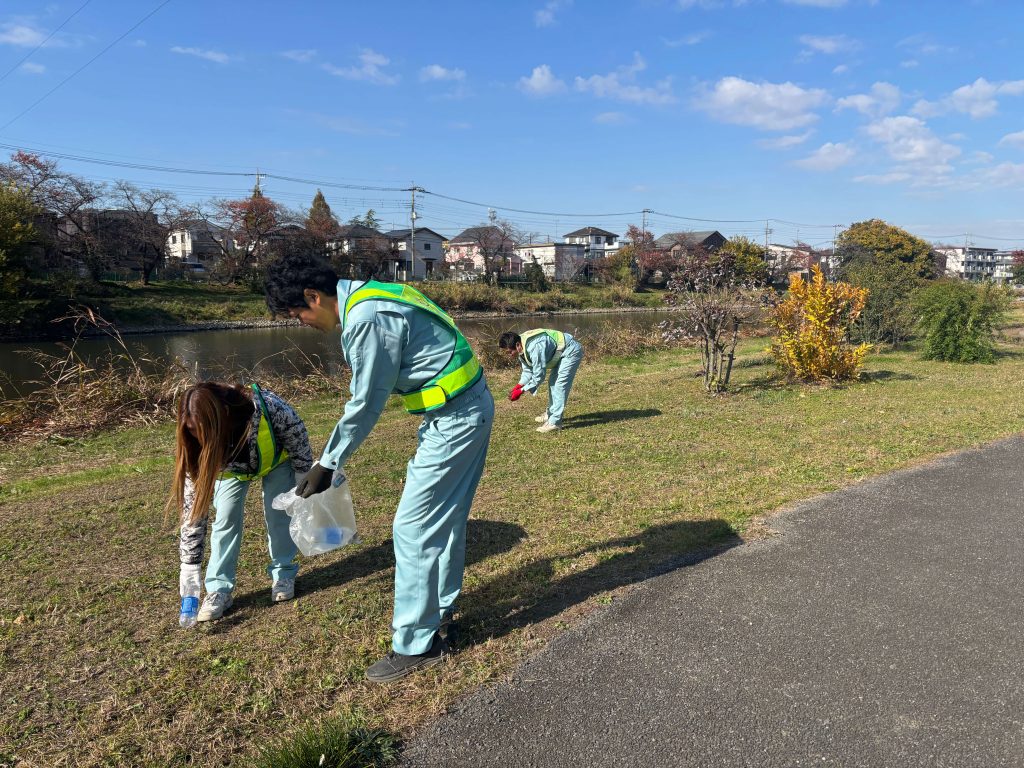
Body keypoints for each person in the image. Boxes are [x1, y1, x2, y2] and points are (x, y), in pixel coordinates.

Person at [264, 254, 494, 683]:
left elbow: (367, 401)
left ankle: (416, 644)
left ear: (314, 297)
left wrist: (327, 463)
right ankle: (439, 613)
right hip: (466, 408)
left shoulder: (367, 318)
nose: (301, 322)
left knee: (413, 528)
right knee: (444, 521)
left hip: (457, 418)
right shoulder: (374, 293)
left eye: (298, 313)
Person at [168, 381, 313, 622]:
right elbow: (193, 513)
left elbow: (297, 436)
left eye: (201, 430)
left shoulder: (268, 407)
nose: (197, 438)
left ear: (222, 416)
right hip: (232, 472)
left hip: (276, 461)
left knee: (278, 513)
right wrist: (190, 569)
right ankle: (218, 591)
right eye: (191, 431)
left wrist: (303, 476)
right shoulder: (195, 444)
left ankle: (283, 574)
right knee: (225, 519)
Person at [499, 329, 584, 432]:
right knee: (552, 383)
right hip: (560, 353)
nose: (509, 355)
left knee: (560, 385)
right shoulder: (521, 345)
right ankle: (550, 414)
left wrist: (521, 391)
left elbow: (539, 376)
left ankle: (555, 423)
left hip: (571, 350)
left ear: (517, 345)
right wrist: (518, 386)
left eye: (509, 352)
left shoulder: (535, 347)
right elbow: (528, 371)